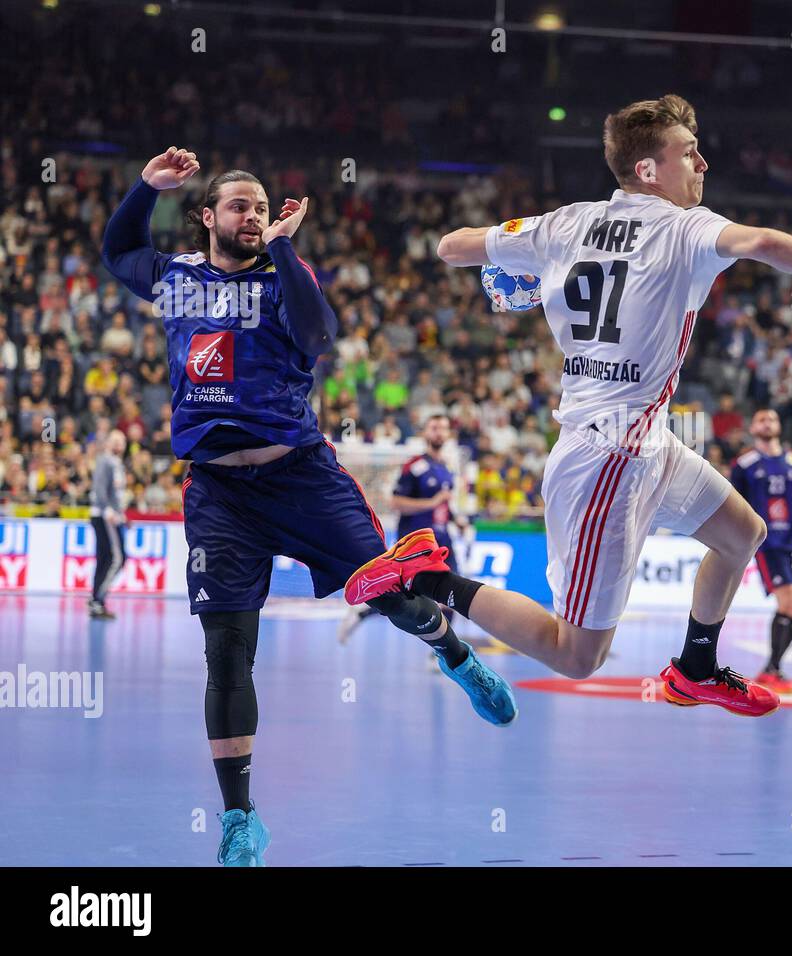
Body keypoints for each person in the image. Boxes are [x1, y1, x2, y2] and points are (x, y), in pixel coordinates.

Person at [348, 94, 792, 715]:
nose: (702, 163)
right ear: (649, 171)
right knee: (577, 655)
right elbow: (764, 240)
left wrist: (514, 265)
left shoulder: (564, 224)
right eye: (689, 153)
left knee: (742, 533)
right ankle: (426, 576)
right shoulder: (684, 228)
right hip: (609, 455)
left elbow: (450, 246)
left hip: (647, 439)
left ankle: (695, 667)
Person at [102, 148, 515, 867]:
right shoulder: (177, 281)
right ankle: (240, 820)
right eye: (239, 206)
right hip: (218, 492)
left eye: (262, 208)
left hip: (300, 475)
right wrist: (144, 188)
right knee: (227, 656)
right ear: (207, 217)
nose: (253, 216)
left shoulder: (282, 275)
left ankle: (452, 650)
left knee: (392, 591)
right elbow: (117, 250)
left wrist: (288, 250)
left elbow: (317, 336)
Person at [337, 414, 465, 661]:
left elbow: (443, 508)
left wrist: (455, 519)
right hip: (417, 542)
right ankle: (364, 612)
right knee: (409, 599)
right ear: (426, 433)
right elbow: (396, 502)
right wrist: (432, 502)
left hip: (443, 541)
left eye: (443, 429)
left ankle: (442, 655)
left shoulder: (447, 470)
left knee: (451, 596)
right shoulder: (414, 466)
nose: (439, 433)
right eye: (434, 427)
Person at [730, 409, 792, 693]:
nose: (768, 423)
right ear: (753, 428)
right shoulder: (744, 464)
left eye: (773, 419)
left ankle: (773, 667)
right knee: (787, 601)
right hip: (768, 543)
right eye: (762, 420)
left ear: (779, 426)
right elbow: (734, 503)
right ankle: (772, 669)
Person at [88, 429, 128, 619]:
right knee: (116, 559)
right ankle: (98, 599)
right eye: (115, 440)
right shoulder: (105, 461)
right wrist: (108, 511)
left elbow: (114, 493)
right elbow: (99, 489)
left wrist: (122, 515)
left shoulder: (117, 463)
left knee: (105, 559)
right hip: (105, 516)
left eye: (122, 441)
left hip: (111, 515)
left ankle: (96, 598)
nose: (119, 444)